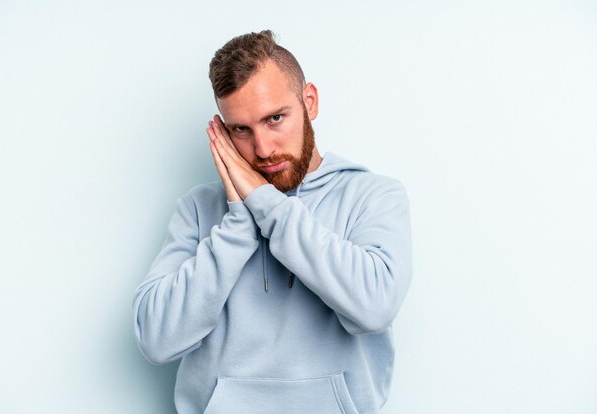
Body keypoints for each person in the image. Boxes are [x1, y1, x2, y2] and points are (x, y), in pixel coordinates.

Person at [132, 30, 412, 414]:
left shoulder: (373, 196)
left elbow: (374, 306)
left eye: (275, 118)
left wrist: (266, 204)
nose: (262, 149)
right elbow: (155, 339)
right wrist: (237, 225)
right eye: (241, 130)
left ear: (309, 102)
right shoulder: (198, 209)